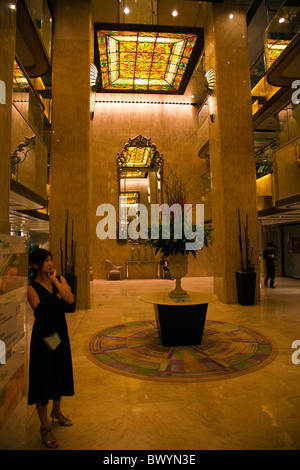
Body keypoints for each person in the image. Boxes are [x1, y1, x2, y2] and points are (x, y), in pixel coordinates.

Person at [27, 248, 75, 448]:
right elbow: (41, 313)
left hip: (60, 333)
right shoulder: (31, 288)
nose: (50, 263)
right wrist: (58, 299)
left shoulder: (59, 280)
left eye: (51, 260)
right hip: (44, 337)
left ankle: (57, 411)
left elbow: (70, 300)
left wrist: (56, 282)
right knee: (43, 378)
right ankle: (44, 427)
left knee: (60, 372)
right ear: (35, 265)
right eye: (46, 261)